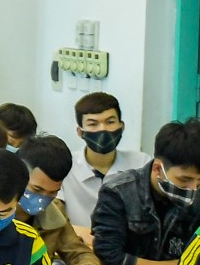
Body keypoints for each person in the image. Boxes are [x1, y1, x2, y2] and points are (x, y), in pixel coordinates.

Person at [94, 120, 200, 265]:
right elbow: (110, 260)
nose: (193, 188)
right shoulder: (118, 192)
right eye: (185, 180)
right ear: (158, 168)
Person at [18, 136, 102, 265]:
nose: (43, 198)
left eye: (52, 192)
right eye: (37, 190)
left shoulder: (54, 214)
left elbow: (80, 253)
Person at [61, 91, 149, 230]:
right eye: (93, 124)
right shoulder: (65, 165)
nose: (103, 129)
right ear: (80, 132)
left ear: (122, 126)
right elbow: (56, 219)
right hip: (78, 245)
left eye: (110, 122)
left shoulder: (141, 163)